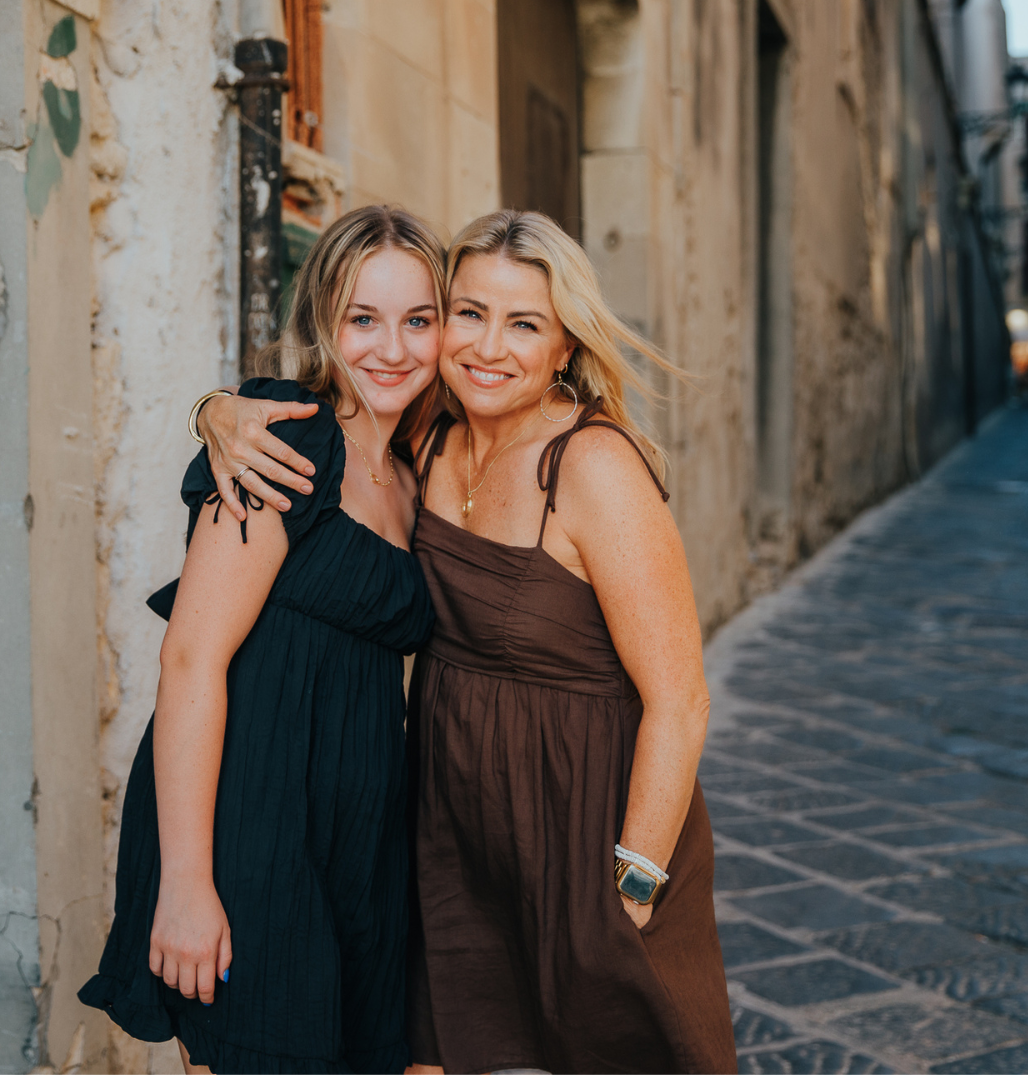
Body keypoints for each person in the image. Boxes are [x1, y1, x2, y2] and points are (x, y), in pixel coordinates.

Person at [199, 210, 736, 1074]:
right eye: (469, 312)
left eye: (524, 323)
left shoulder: (594, 465)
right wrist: (218, 410)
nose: (490, 346)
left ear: (565, 344)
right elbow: (332, 417)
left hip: (586, 828)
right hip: (453, 834)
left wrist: (632, 885)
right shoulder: (432, 439)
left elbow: (681, 700)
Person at [79, 206, 446, 1074]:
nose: (391, 348)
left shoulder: (418, 467)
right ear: (323, 319)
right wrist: (187, 883)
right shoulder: (286, 434)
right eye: (364, 318)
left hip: (358, 838)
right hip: (250, 827)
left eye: (418, 320)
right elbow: (190, 658)